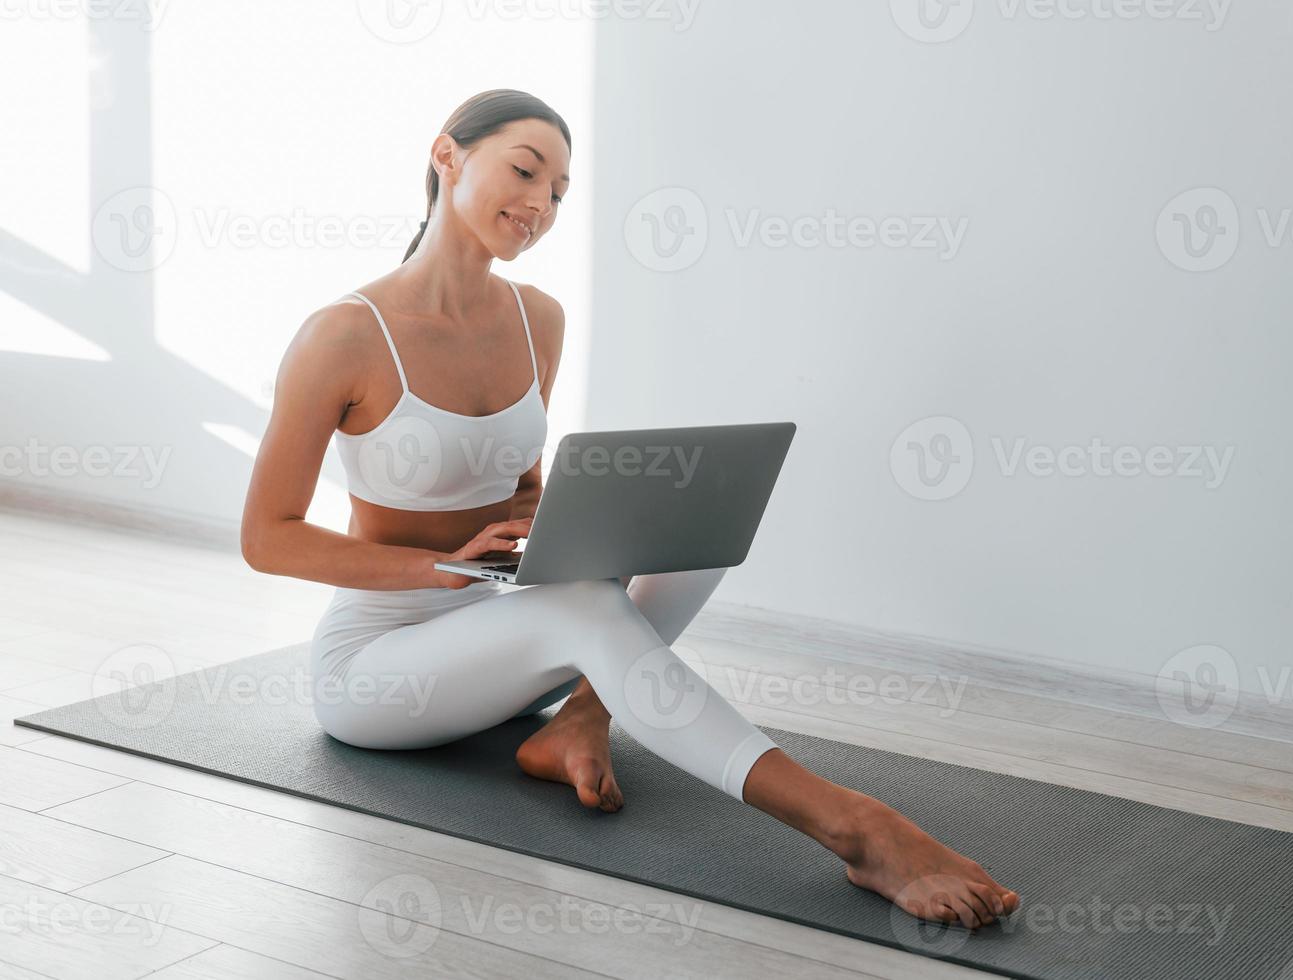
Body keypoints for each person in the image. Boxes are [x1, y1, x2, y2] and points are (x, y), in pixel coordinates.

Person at [239, 88, 1019, 930]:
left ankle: (580, 719)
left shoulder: (538, 318)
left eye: (560, 192)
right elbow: (266, 538)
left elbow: (519, 488)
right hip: (376, 671)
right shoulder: (343, 335)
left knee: (696, 537)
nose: (540, 204)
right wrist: (445, 565)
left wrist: (576, 523)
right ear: (447, 156)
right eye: (525, 170)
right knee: (583, 606)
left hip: (502, 638)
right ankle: (856, 827)